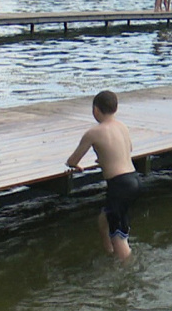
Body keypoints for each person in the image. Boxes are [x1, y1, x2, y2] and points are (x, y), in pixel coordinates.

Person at [66, 90, 139, 262]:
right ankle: (109, 252)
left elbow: (72, 160)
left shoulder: (94, 133)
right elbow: (129, 150)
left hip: (119, 185)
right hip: (133, 179)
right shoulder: (122, 126)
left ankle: (127, 270)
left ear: (95, 110)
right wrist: (106, 159)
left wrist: (75, 166)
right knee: (104, 218)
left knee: (118, 235)